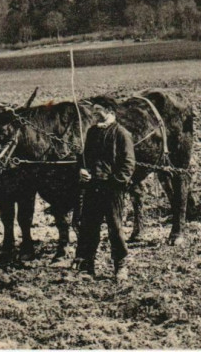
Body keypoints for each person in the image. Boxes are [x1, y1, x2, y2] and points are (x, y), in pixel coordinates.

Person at [72, 97, 136, 281]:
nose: (94, 114)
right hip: (93, 188)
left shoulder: (122, 133)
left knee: (115, 227)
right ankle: (87, 267)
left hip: (112, 190)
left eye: (98, 110)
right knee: (89, 227)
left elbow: (128, 164)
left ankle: (120, 265)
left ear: (110, 112)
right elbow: (84, 158)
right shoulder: (92, 132)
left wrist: (114, 182)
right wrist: (82, 170)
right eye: (93, 111)